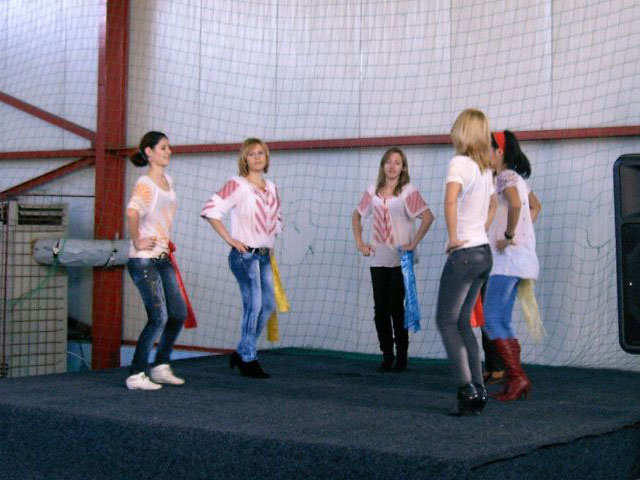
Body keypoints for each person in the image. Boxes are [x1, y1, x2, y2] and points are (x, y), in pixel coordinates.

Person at [201, 138, 283, 379]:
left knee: (268, 306)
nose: (257, 157)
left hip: (264, 256)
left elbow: (276, 221)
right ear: (244, 159)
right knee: (253, 305)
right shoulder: (237, 184)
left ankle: (241, 351)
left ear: (266, 157)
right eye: (252, 154)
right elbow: (211, 210)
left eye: (261, 153)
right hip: (245, 257)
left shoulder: (272, 188)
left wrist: (270, 246)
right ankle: (248, 358)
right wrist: (230, 239)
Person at [352, 147, 434, 372]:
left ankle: (402, 355)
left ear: (403, 167)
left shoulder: (408, 191)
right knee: (380, 310)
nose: (392, 166)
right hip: (378, 259)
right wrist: (360, 243)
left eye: (397, 162)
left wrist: (413, 244)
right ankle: (387, 354)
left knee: (396, 308)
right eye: (388, 162)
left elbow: (428, 217)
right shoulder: (372, 192)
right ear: (382, 166)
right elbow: (356, 216)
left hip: (399, 260)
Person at [436, 109, 494, 415]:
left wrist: (453, 236)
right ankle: (479, 391)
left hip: (465, 254)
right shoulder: (485, 168)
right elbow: (493, 203)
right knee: (462, 323)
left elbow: (450, 200)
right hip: (483, 253)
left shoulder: (459, 163)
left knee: (446, 321)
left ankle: (466, 389)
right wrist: (479, 228)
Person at [125, 131, 187, 390]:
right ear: (149, 152)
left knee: (178, 313)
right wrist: (138, 240)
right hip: (144, 260)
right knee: (158, 316)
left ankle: (160, 366)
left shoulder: (168, 181)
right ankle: (136, 374)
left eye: (169, 147)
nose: (168, 151)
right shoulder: (145, 183)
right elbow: (132, 212)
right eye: (163, 147)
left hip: (163, 257)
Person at [483, 130, 541, 401]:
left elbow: (517, 205)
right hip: (517, 261)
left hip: (508, 262)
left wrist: (508, 235)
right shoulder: (516, 179)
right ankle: (515, 378)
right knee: (500, 320)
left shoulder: (505, 177)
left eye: (487, 149)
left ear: (499, 152)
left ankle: (517, 376)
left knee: (492, 319)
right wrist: (521, 232)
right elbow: (535, 207)